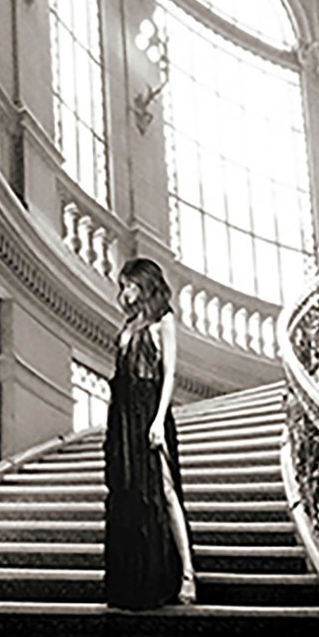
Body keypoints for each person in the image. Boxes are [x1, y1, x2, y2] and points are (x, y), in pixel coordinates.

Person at [103, 258, 196, 608]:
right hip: (124, 415)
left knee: (166, 491)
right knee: (130, 494)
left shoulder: (163, 321)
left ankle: (188, 574)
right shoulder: (129, 324)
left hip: (148, 410)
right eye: (124, 285)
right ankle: (136, 578)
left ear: (146, 285)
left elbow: (169, 373)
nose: (126, 291)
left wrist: (158, 420)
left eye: (131, 284)